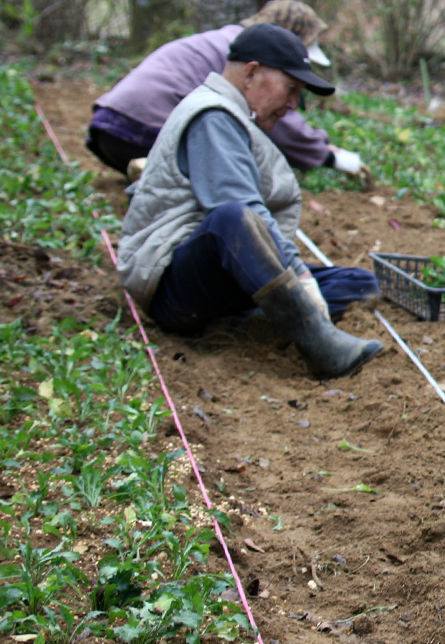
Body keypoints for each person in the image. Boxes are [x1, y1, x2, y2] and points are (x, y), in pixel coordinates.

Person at [116, 23, 383, 380]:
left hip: (216, 277)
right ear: (252, 73)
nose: (293, 105)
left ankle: (242, 324)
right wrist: (300, 279)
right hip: (171, 286)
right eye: (291, 90)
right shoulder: (213, 116)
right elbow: (242, 213)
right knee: (233, 217)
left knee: (358, 283)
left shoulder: (232, 115)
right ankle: (319, 343)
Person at [88, 0, 365, 179]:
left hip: (107, 128)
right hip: (143, 133)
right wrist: (332, 157)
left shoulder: (223, 39)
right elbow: (281, 123)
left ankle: (154, 173)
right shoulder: (248, 57)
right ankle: (159, 171)